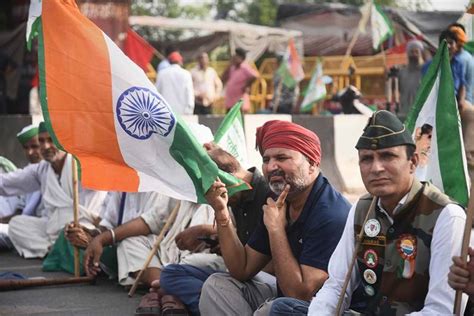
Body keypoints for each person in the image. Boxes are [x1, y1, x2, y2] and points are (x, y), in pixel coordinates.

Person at [271, 110, 467, 315]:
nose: (376, 168)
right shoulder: (363, 209)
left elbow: (442, 310)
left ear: (413, 162)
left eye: (387, 156)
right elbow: (336, 286)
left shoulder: (446, 217)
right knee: (285, 309)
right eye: (366, 159)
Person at [198, 120, 351, 315]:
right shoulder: (280, 201)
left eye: (281, 158)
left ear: (312, 164)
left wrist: (276, 230)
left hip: (328, 309)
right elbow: (242, 268)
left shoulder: (330, 213)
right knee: (217, 285)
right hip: (286, 298)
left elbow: (299, 295)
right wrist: (222, 213)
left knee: (273, 309)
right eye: (266, 159)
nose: (271, 167)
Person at [157, 142, 270, 315]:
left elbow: (261, 263)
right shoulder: (237, 199)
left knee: (216, 283)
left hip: (259, 273)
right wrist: (220, 240)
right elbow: (241, 246)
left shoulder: (268, 197)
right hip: (239, 268)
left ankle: (211, 303)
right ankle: (211, 303)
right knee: (170, 274)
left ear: (227, 179)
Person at [0, 122, 107, 258]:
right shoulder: (42, 169)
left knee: (78, 233)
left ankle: (61, 251)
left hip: (83, 227)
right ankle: (53, 251)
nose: (45, 146)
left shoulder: (81, 164)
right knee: (17, 224)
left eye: (51, 140)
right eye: (42, 141)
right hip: (53, 230)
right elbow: (7, 182)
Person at [222, 48, 258, 113]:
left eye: (236, 56)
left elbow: (255, 76)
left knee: (239, 121)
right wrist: (229, 65)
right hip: (230, 102)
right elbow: (223, 78)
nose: (234, 58)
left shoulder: (244, 67)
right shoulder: (232, 67)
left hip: (239, 103)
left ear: (241, 58)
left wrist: (246, 85)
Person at [397, 40, 424, 119]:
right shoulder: (402, 72)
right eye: (411, 52)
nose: (414, 54)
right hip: (405, 111)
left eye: (416, 52)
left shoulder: (426, 71)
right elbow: (396, 89)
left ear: (420, 53)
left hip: (421, 112)